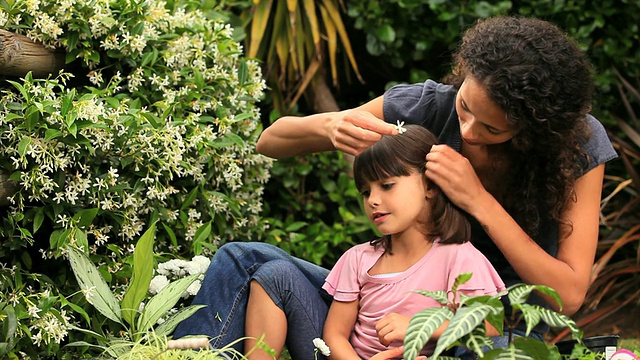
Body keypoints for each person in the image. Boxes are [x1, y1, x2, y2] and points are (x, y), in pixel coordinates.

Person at [174, 15, 617, 358]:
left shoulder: (576, 144)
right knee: (242, 259)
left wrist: (477, 200)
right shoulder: (424, 106)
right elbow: (269, 141)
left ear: (534, 130)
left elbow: (569, 296)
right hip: (381, 312)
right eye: (464, 106)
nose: (467, 129)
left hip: (483, 329)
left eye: (492, 129)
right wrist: (330, 126)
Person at [322, 124, 505, 359]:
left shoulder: (458, 256)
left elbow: (491, 327)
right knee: (274, 272)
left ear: (429, 185)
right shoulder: (358, 258)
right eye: (366, 192)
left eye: (386, 185)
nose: (373, 200)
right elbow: (335, 334)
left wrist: (422, 326)